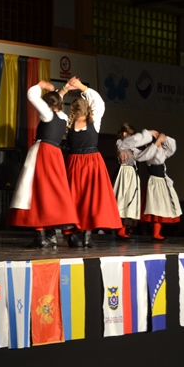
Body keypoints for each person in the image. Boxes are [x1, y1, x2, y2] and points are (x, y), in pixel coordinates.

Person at [8, 80, 79, 248]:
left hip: (43, 152)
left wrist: (40, 86)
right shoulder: (63, 117)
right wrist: (63, 90)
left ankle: (40, 235)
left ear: (47, 105)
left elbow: (32, 96)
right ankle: (50, 234)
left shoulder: (47, 114)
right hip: (56, 154)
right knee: (51, 192)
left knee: (34, 189)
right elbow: (57, 100)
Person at [63, 77, 122, 248]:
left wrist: (67, 89)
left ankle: (79, 233)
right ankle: (83, 234)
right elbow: (98, 102)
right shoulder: (91, 120)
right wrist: (81, 87)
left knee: (77, 197)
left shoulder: (70, 123)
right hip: (87, 161)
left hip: (79, 162)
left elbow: (54, 105)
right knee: (88, 198)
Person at [136, 129, 182, 241]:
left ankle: (157, 233)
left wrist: (164, 138)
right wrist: (157, 143)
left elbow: (172, 147)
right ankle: (155, 234)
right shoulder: (148, 154)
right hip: (155, 184)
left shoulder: (159, 152)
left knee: (162, 207)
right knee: (156, 208)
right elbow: (159, 159)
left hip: (162, 183)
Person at [113, 122, 149, 240]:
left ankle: (124, 229)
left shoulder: (132, 147)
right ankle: (119, 228)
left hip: (132, 173)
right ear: (125, 134)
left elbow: (140, 155)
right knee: (122, 198)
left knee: (130, 198)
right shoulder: (120, 143)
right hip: (124, 172)